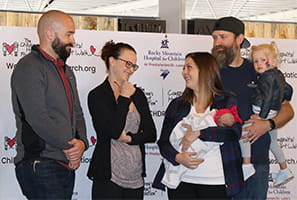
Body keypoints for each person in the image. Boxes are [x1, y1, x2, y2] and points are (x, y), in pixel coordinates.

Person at [211, 16, 294, 199]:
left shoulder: (259, 70)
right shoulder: (210, 73)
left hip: (256, 164)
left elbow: (288, 110)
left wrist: (268, 124)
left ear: (239, 39)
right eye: (214, 37)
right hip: (218, 163)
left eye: (223, 37)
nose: (218, 42)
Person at [11, 10, 89, 200]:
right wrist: (71, 147)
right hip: (40, 162)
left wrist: (82, 144)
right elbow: (38, 117)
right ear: (50, 34)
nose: (73, 40)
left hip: (63, 162)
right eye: (68, 34)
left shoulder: (66, 70)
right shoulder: (29, 66)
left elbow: (77, 114)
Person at [153, 52, 244, 200]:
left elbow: (234, 133)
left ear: (205, 71)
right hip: (182, 183)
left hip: (217, 183)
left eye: (189, 67)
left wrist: (200, 132)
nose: (184, 72)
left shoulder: (227, 100)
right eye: (183, 68)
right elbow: (163, 142)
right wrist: (177, 157)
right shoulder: (177, 104)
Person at [87, 40, 157, 200]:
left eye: (134, 66)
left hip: (136, 177)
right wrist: (124, 98)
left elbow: (151, 134)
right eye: (128, 64)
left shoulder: (137, 94)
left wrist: (130, 138)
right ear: (112, 61)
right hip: (108, 177)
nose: (131, 69)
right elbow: (112, 131)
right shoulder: (97, 95)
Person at [248, 41, 294, 187]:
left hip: (263, 112)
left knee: (245, 131)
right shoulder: (277, 74)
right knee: (273, 142)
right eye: (255, 61)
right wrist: (284, 97)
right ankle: (284, 168)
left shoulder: (267, 77)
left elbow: (267, 98)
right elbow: (288, 88)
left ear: (273, 61)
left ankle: (245, 165)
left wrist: (261, 117)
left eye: (263, 60)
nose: (258, 64)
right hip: (272, 111)